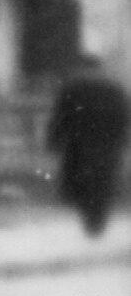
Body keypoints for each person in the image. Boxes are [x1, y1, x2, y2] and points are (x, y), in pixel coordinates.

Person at [50, 51, 127, 242]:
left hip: (79, 142)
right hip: (108, 143)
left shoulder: (73, 87)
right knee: (103, 181)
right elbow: (125, 116)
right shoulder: (115, 88)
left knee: (81, 181)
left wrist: (54, 139)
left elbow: (61, 115)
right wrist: (123, 139)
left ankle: (89, 219)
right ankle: (97, 221)